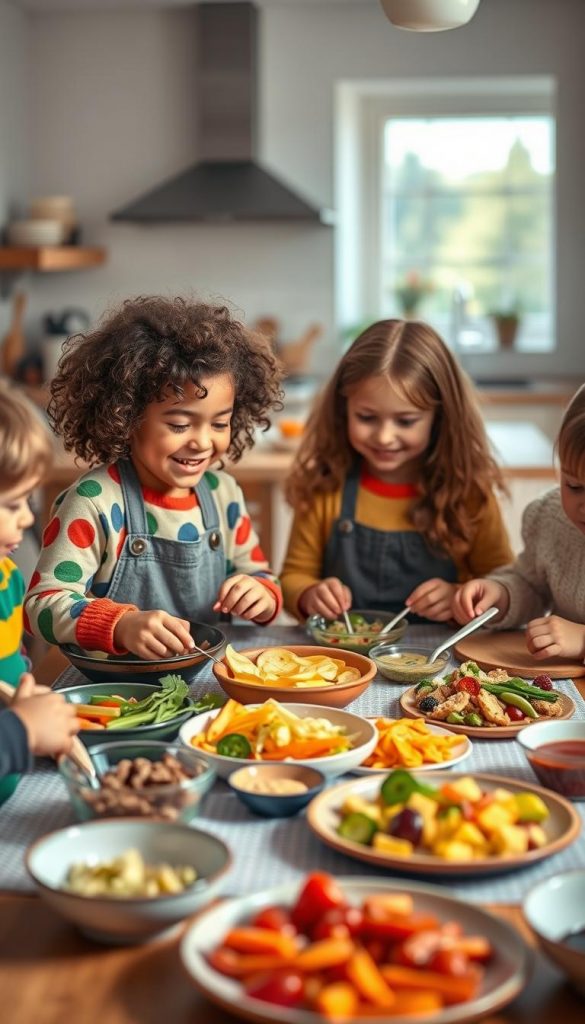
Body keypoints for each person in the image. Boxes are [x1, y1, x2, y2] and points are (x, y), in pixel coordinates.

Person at [25, 297, 283, 659]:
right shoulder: (93, 499)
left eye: (220, 423)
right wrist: (120, 624)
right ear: (127, 418)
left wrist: (261, 593)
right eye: (179, 424)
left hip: (204, 678)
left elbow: (257, 572)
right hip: (115, 693)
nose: (203, 442)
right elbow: (41, 605)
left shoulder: (222, 493)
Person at [280, 319, 513, 623]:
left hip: (440, 663)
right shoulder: (326, 484)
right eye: (366, 417)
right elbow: (292, 577)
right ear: (343, 408)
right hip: (342, 662)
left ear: (440, 417)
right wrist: (309, 594)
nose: (384, 437)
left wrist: (459, 596)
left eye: (405, 421)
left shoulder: (468, 493)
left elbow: (505, 586)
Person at [453, 383, 585, 661]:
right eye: (573, 485)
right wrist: (501, 594)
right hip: (561, 684)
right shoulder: (548, 517)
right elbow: (531, 585)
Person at [0, 382, 78, 797]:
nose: (28, 519)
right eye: (13, 505)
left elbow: (14, 666)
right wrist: (21, 732)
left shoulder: (8, 578)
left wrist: (33, 709)